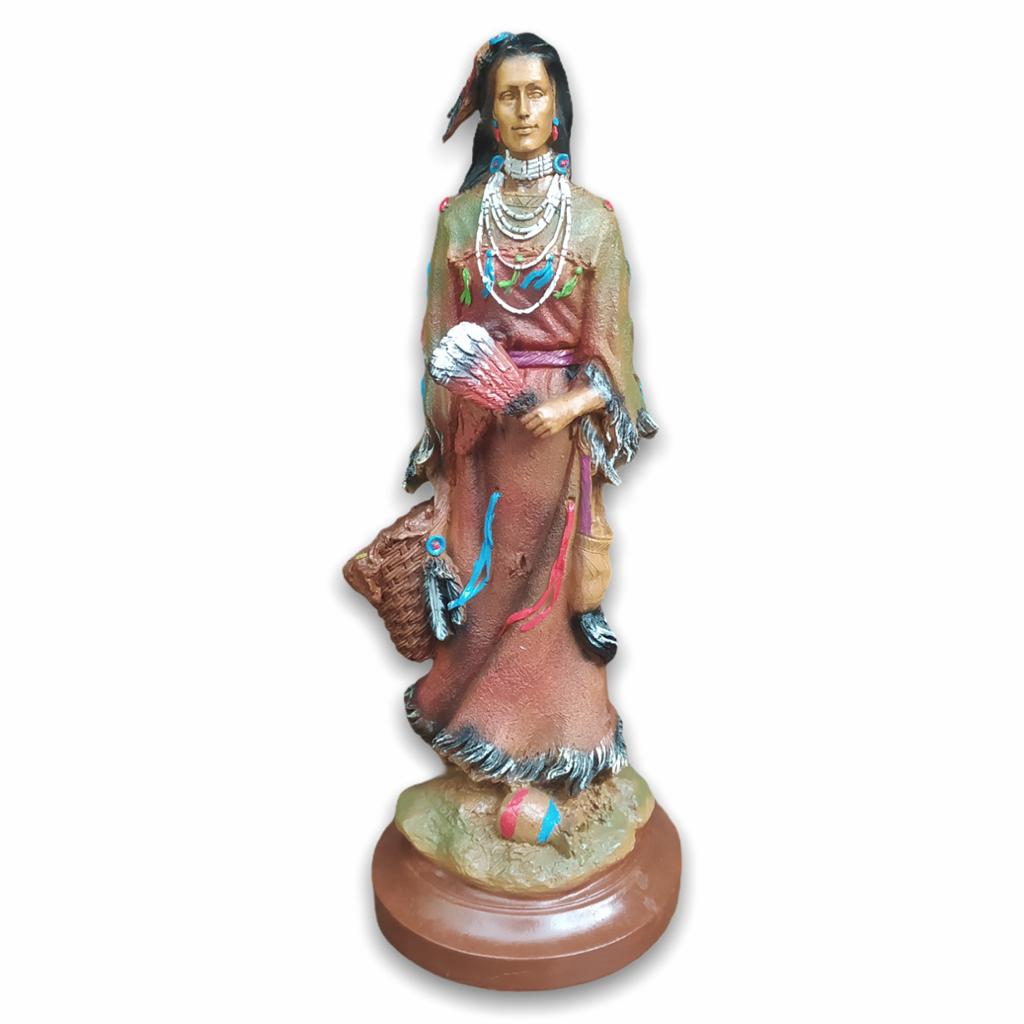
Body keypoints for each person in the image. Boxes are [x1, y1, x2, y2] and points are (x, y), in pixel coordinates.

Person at [403, 32, 657, 796]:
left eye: (535, 93)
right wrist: (455, 418)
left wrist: (571, 404)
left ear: (557, 108)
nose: (521, 109)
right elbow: (440, 336)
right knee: (482, 590)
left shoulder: (593, 223)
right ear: (489, 113)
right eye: (507, 96)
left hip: (555, 450)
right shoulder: (460, 221)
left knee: (545, 603)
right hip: (481, 444)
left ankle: (557, 744)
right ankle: (478, 734)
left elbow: (613, 358)